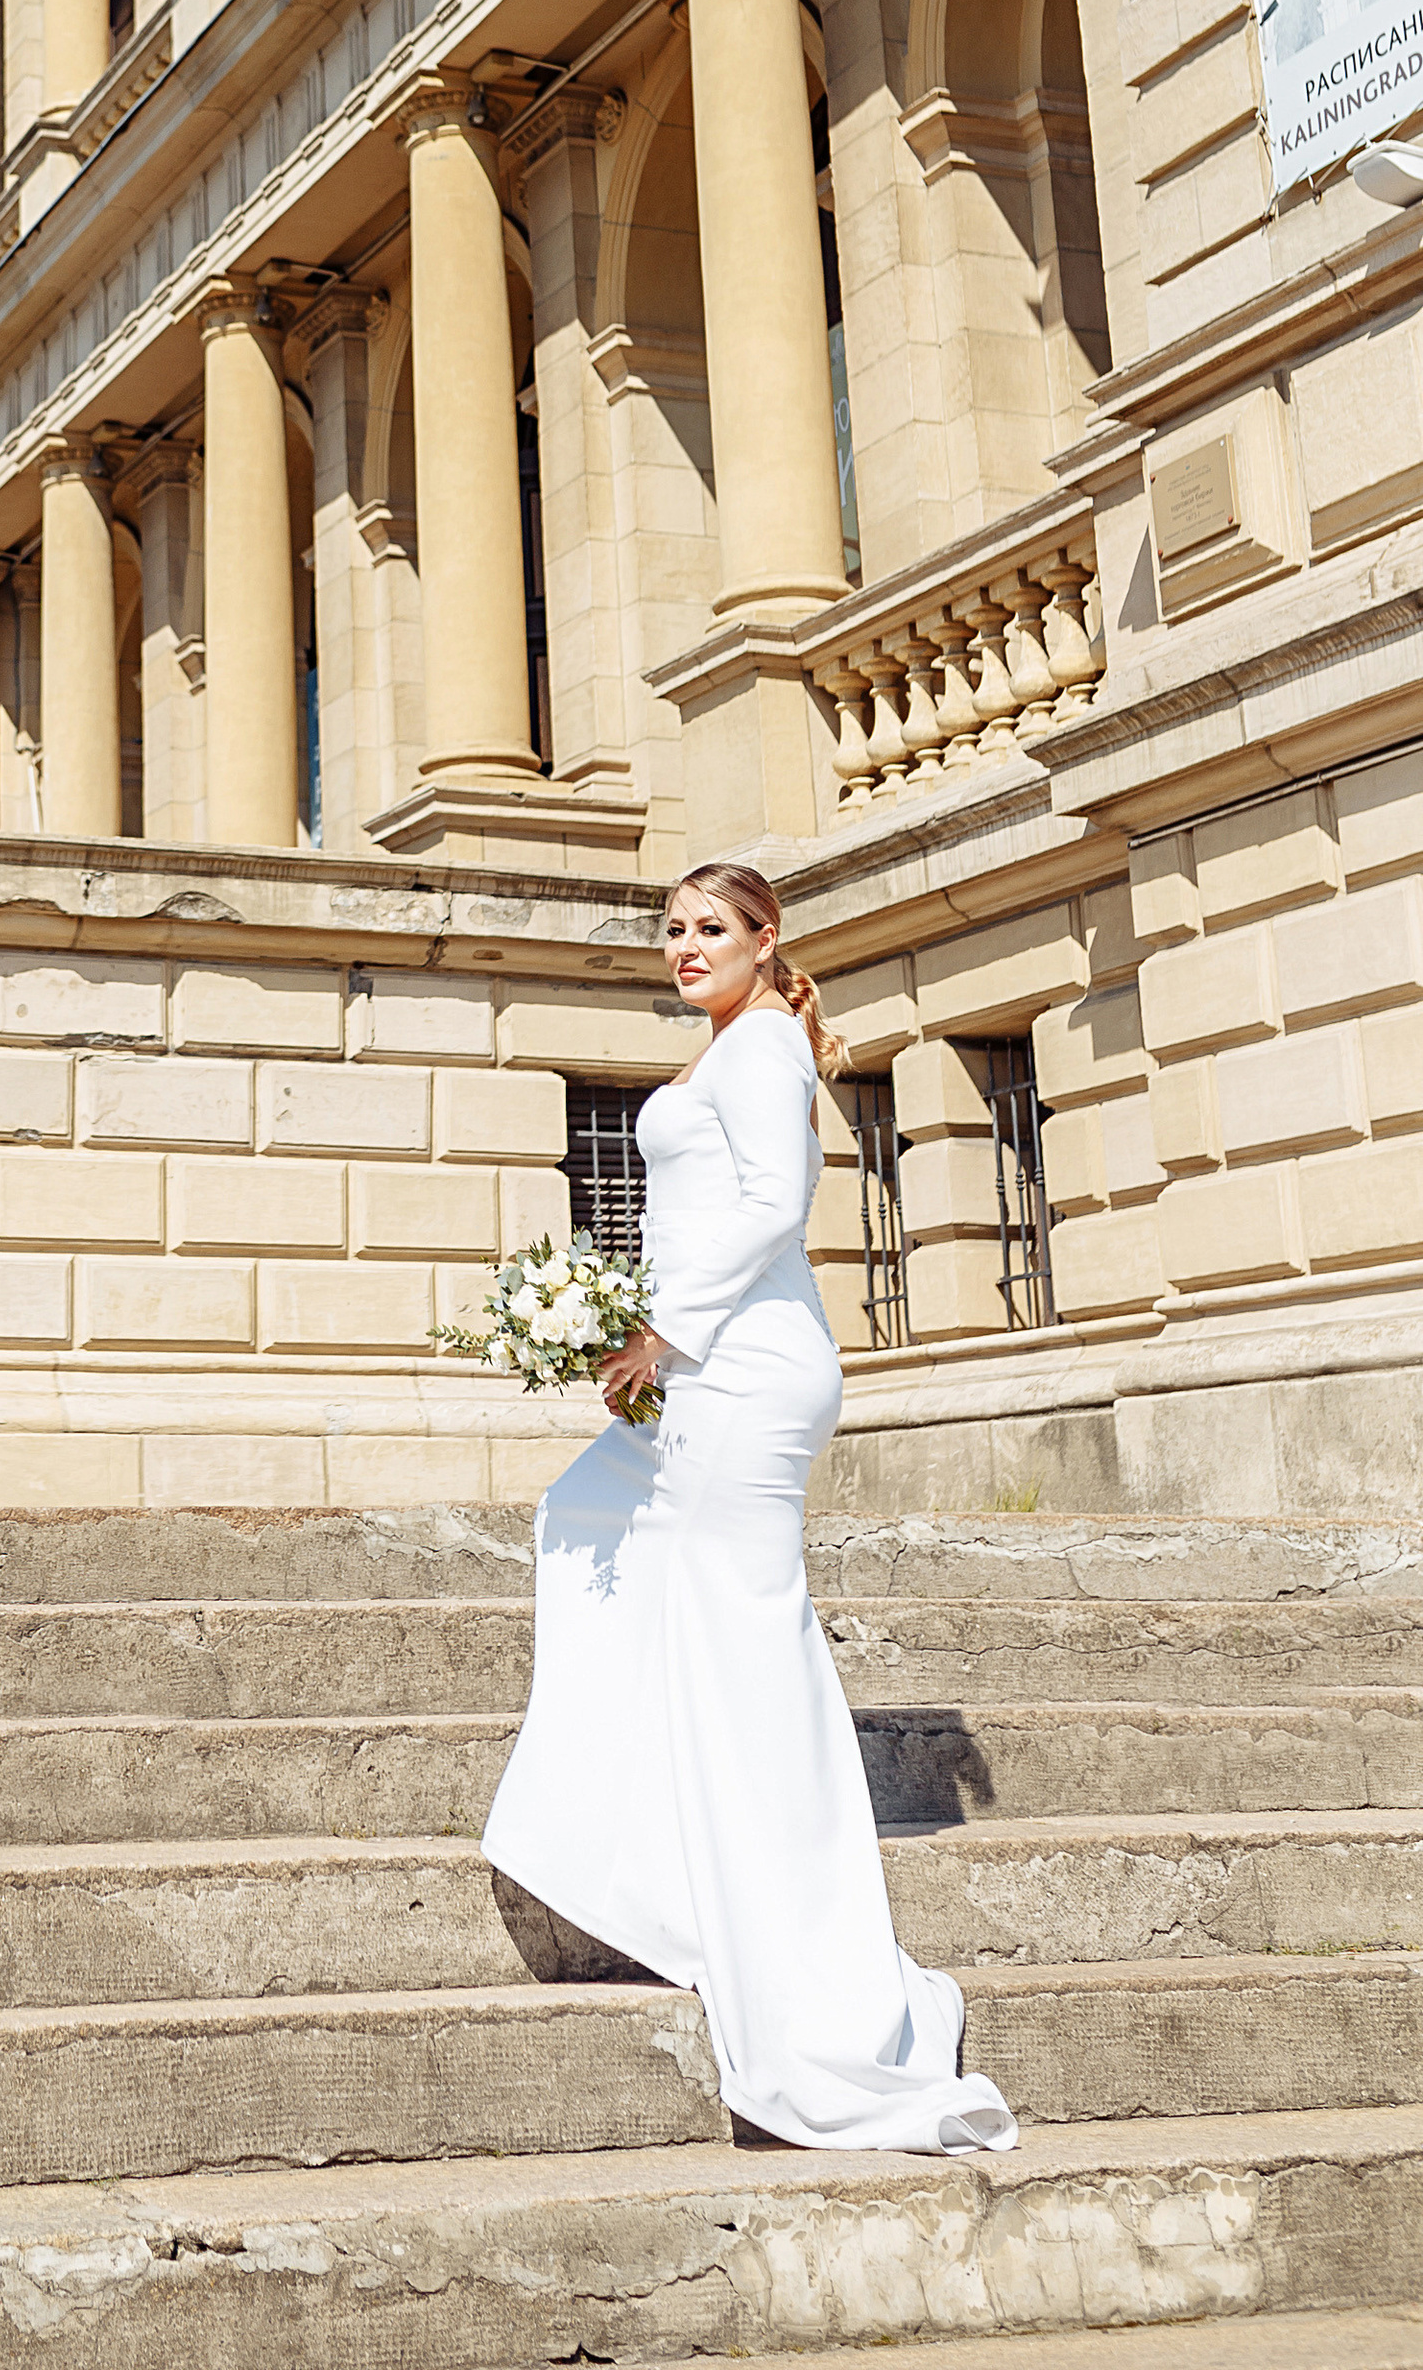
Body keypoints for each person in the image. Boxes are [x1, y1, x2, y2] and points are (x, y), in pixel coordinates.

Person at [482, 861, 1016, 2155]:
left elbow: (779, 1205)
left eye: (710, 929)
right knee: (590, 1528)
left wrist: (662, 1326)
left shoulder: (769, 1045)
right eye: (671, 931)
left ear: (767, 941)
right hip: (698, 1371)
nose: (684, 948)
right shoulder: (735, 1045)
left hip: (744, 1375)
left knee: (743, 1647)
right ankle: (656, 1851)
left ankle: (793, 1949)